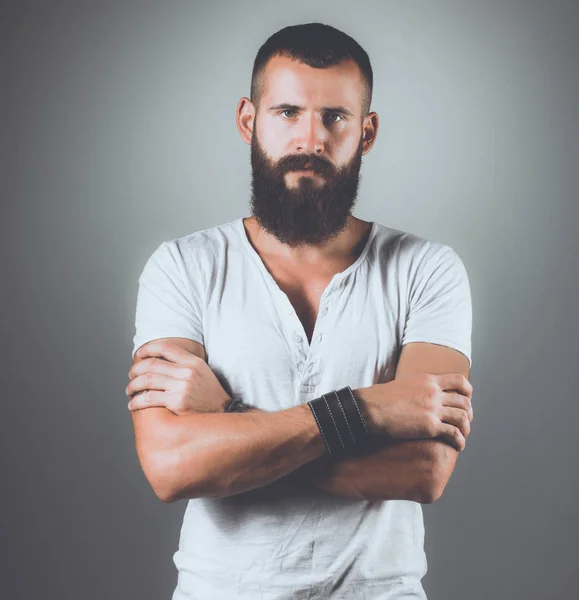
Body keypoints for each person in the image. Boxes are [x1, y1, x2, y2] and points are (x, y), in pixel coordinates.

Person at [126, 22, 473, 600]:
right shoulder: (182, 267)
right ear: (248, 121)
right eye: (287, 112)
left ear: (367, 132)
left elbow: (421, 471)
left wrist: (231, 422)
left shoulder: (428, 270)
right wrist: (369, 409)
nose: (309, 138)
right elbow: (172, 466)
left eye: (334, 117)